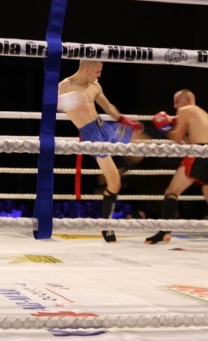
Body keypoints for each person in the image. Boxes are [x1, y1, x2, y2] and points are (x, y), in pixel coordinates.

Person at [58, 59, 148, 242]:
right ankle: (106, 227)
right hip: (91, 134)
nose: (99, 75)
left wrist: (123, 120)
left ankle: (121, 169)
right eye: (97, 71)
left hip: (104, 126)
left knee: (144, 144)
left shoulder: (95, 85)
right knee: (114, 183)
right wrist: (65, 101)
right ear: (87, 69)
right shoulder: (65, 86)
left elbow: (108, 107)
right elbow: (55, 106)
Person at [145, 89, 208, 244]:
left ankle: (164, 232)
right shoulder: (204, 114)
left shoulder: (185, 110)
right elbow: (188, 141)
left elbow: (176, 138)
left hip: (199, 153)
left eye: (177, 101)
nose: (175, 106)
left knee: (171, 191)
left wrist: (164, 128)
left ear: (187, 99)